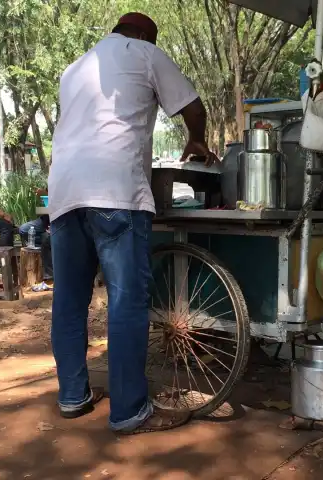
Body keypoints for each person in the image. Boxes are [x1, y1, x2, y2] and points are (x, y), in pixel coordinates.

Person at [48, 12, 218, 435]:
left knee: (69, 299)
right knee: (127, 302)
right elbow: (193, 107)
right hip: (116, 191)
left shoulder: (75, 68)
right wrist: (196, 139)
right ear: (144, 35)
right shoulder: (145, 52)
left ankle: (73, 396)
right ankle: (129, 411)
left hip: (64, 193)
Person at [18, 188, 53, 288]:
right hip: (46, 219)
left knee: (47, 239)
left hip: (59, 219)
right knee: (24, 229)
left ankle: (50, 277)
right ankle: (40, 250)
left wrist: (45, 194)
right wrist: (45, 195)